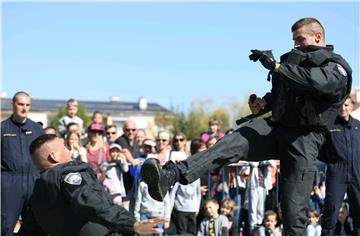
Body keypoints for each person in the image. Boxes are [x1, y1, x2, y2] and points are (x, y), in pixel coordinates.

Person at [141, 17, 352, 236]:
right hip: (276, 127)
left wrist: (279, 68)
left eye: (300, 40)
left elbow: (318, 82)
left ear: (318, 36)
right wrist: (263, 103)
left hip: (305, 139)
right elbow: (284, 96)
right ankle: (171, 175)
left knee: (292, 212)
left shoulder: (335, 66)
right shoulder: (293, 62)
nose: (295, 46)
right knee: (228, 145)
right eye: (294, 41)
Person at [17, 134, 167, 236]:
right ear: (54, 156)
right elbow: (91, 202)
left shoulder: (38, 194)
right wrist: (132, 225)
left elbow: (30, 230)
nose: (68, 150)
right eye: (64, 147)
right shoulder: (69, 176)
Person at [1, 91, 44, 236]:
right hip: (9, 184)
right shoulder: (2, 129)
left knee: (36, 227)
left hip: (34, 182)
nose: (24, 108)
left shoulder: (37, 129)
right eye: (20, 104)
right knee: (6, 227)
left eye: (27, 105)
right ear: (12, 104)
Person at [320, 96, 360, 235]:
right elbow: (320, 150)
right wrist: (333, 162)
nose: (343, 108)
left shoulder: (358, 126)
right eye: (341, 106)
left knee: (359, 211)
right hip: (337, 173)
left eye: (346, 105)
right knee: (331, 210)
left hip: (357, 173)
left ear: (351, 106)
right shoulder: (329, 127)